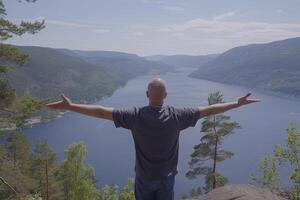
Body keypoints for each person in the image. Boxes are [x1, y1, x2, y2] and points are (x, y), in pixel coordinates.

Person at [45, 78, 260, 200]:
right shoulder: (178, 115)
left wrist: (71, 106)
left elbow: (101, 112)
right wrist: (236, 103)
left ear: (147, 94)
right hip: (167, 178)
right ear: (165, 96)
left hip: (144, 178)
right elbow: (210, 109)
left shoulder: (135, 116)